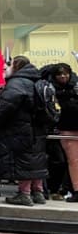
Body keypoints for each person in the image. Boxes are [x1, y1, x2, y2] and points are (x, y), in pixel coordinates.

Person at [0, 56, 49, 206]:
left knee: (23, 161)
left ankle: (24, 193)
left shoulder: (16, 83)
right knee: (35, 159)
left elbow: (6, 108)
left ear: (16, 66)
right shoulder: (36, 80)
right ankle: (38, 192)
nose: (8, 67)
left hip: (20, 129)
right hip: (37, 129)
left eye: (10, 64)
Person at [48, 63, 78, 201]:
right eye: (59, 74)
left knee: (72, 161)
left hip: (67, 127)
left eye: (65, 73)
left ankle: (71, 189)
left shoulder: (56, 89)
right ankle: (74, 189)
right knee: (73, 161)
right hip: (66, 128)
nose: (63, 76)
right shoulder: (53, 90)